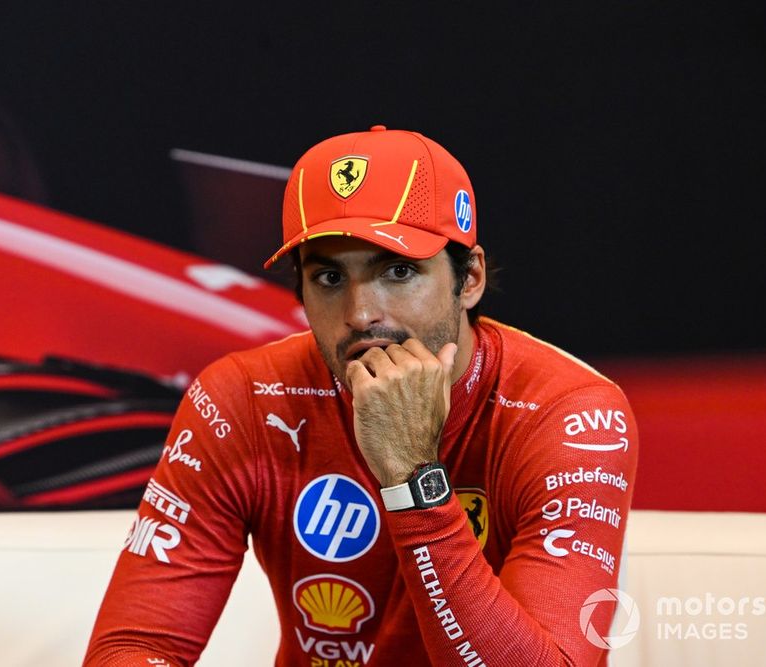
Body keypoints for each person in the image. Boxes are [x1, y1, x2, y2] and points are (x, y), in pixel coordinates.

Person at [85, 126, 638, 666]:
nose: (361, 314)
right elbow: (131, 647)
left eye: (397, 271)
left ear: (469, 278)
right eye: (329, 279)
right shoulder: (244, 400)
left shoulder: (569, 414)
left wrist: (413, 478)